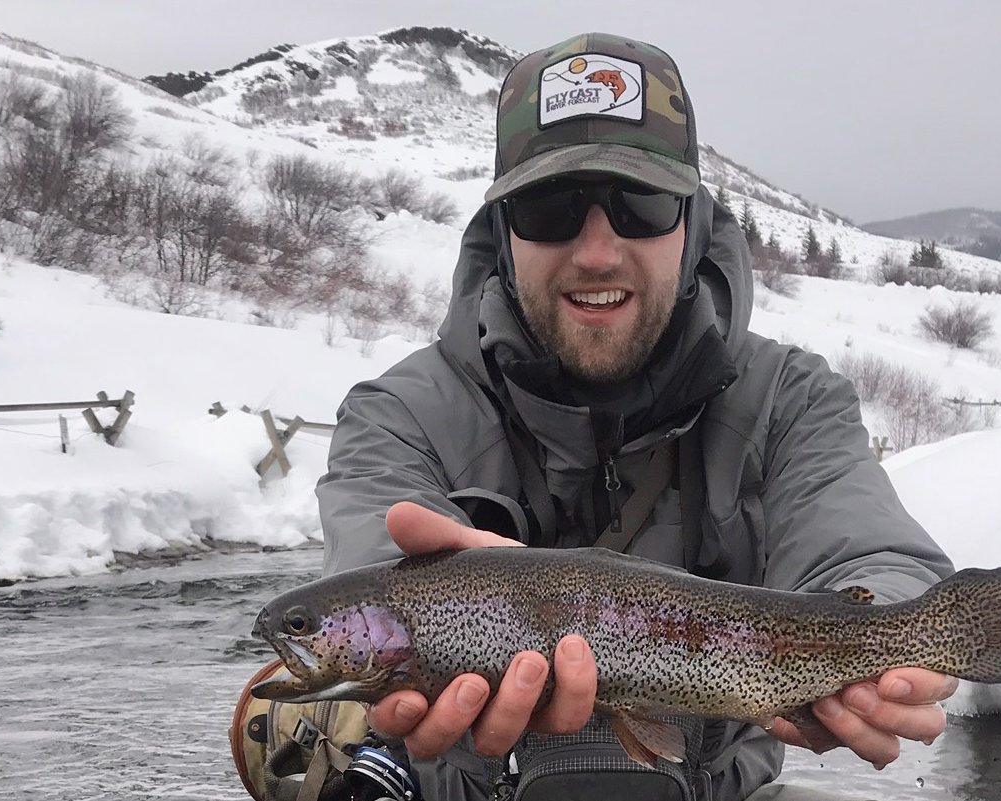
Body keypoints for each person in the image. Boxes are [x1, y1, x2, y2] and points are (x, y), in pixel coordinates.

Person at [312, 31, 959, 801]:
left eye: (640, 204)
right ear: (503, 232)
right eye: (550, 209)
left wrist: (884, 646)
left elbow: (874, 556)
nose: (596, 251)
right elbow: (364, 572)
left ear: (690, 225)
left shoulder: (790, 396)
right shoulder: (399, 412)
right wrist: (472, 596)